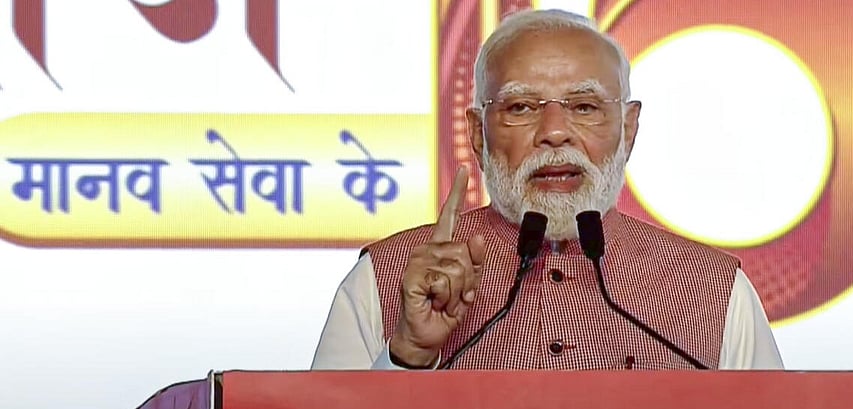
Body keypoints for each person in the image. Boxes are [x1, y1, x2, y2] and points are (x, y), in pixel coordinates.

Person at [310, 9, 784, 371]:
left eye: (584, 106)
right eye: (520, 107)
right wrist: (409, 353)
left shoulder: (715, 288)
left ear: (629, 127)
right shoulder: (386, 277)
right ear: (478, 133)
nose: (555, 132)